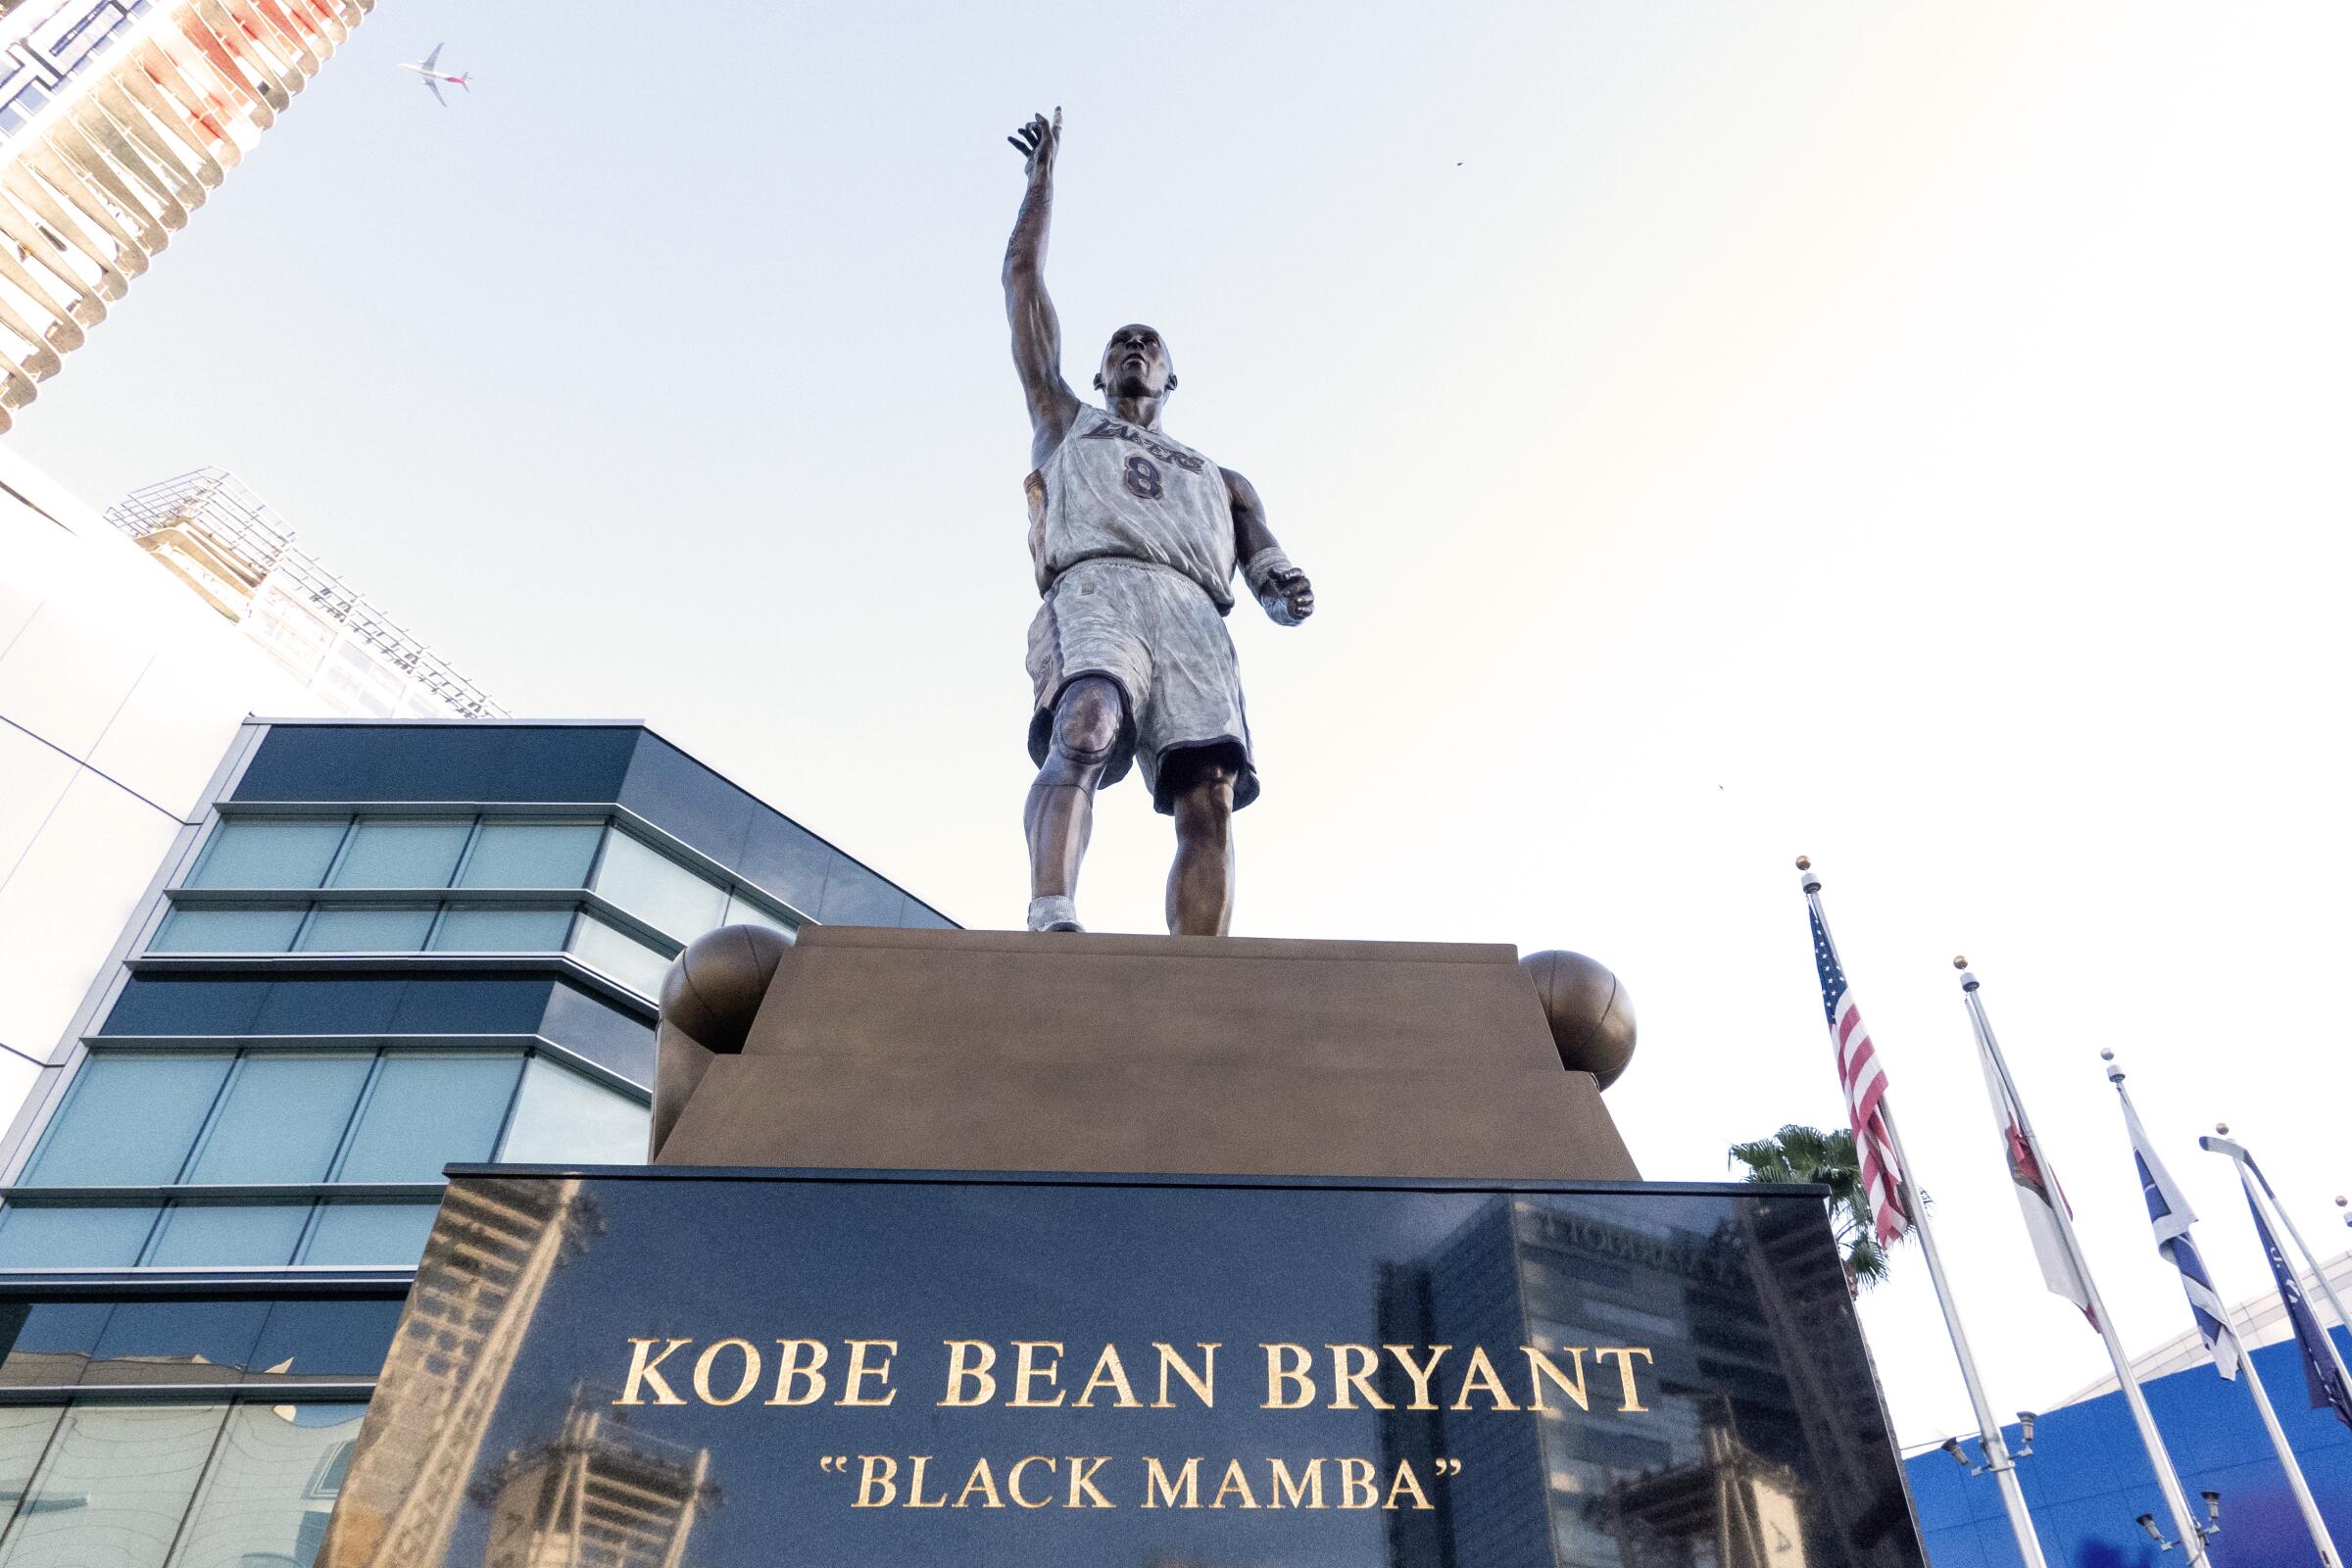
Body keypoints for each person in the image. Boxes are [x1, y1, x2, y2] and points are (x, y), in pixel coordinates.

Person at [1004, 108, 1315, 937]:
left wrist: (1284, 586)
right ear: (1103, 370)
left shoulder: (1221, 477)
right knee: (1086, 721)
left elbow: (1267, 562)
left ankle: (1200, 966)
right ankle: (1053, 910)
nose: (1135, 349)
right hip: (1101, 583)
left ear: (1172, 376)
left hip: (1193, 613)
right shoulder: (1066, 418)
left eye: (1150, 344)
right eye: (1121, 344)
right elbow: (1023, 289)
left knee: (1209, 791)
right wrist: (1041, 189)